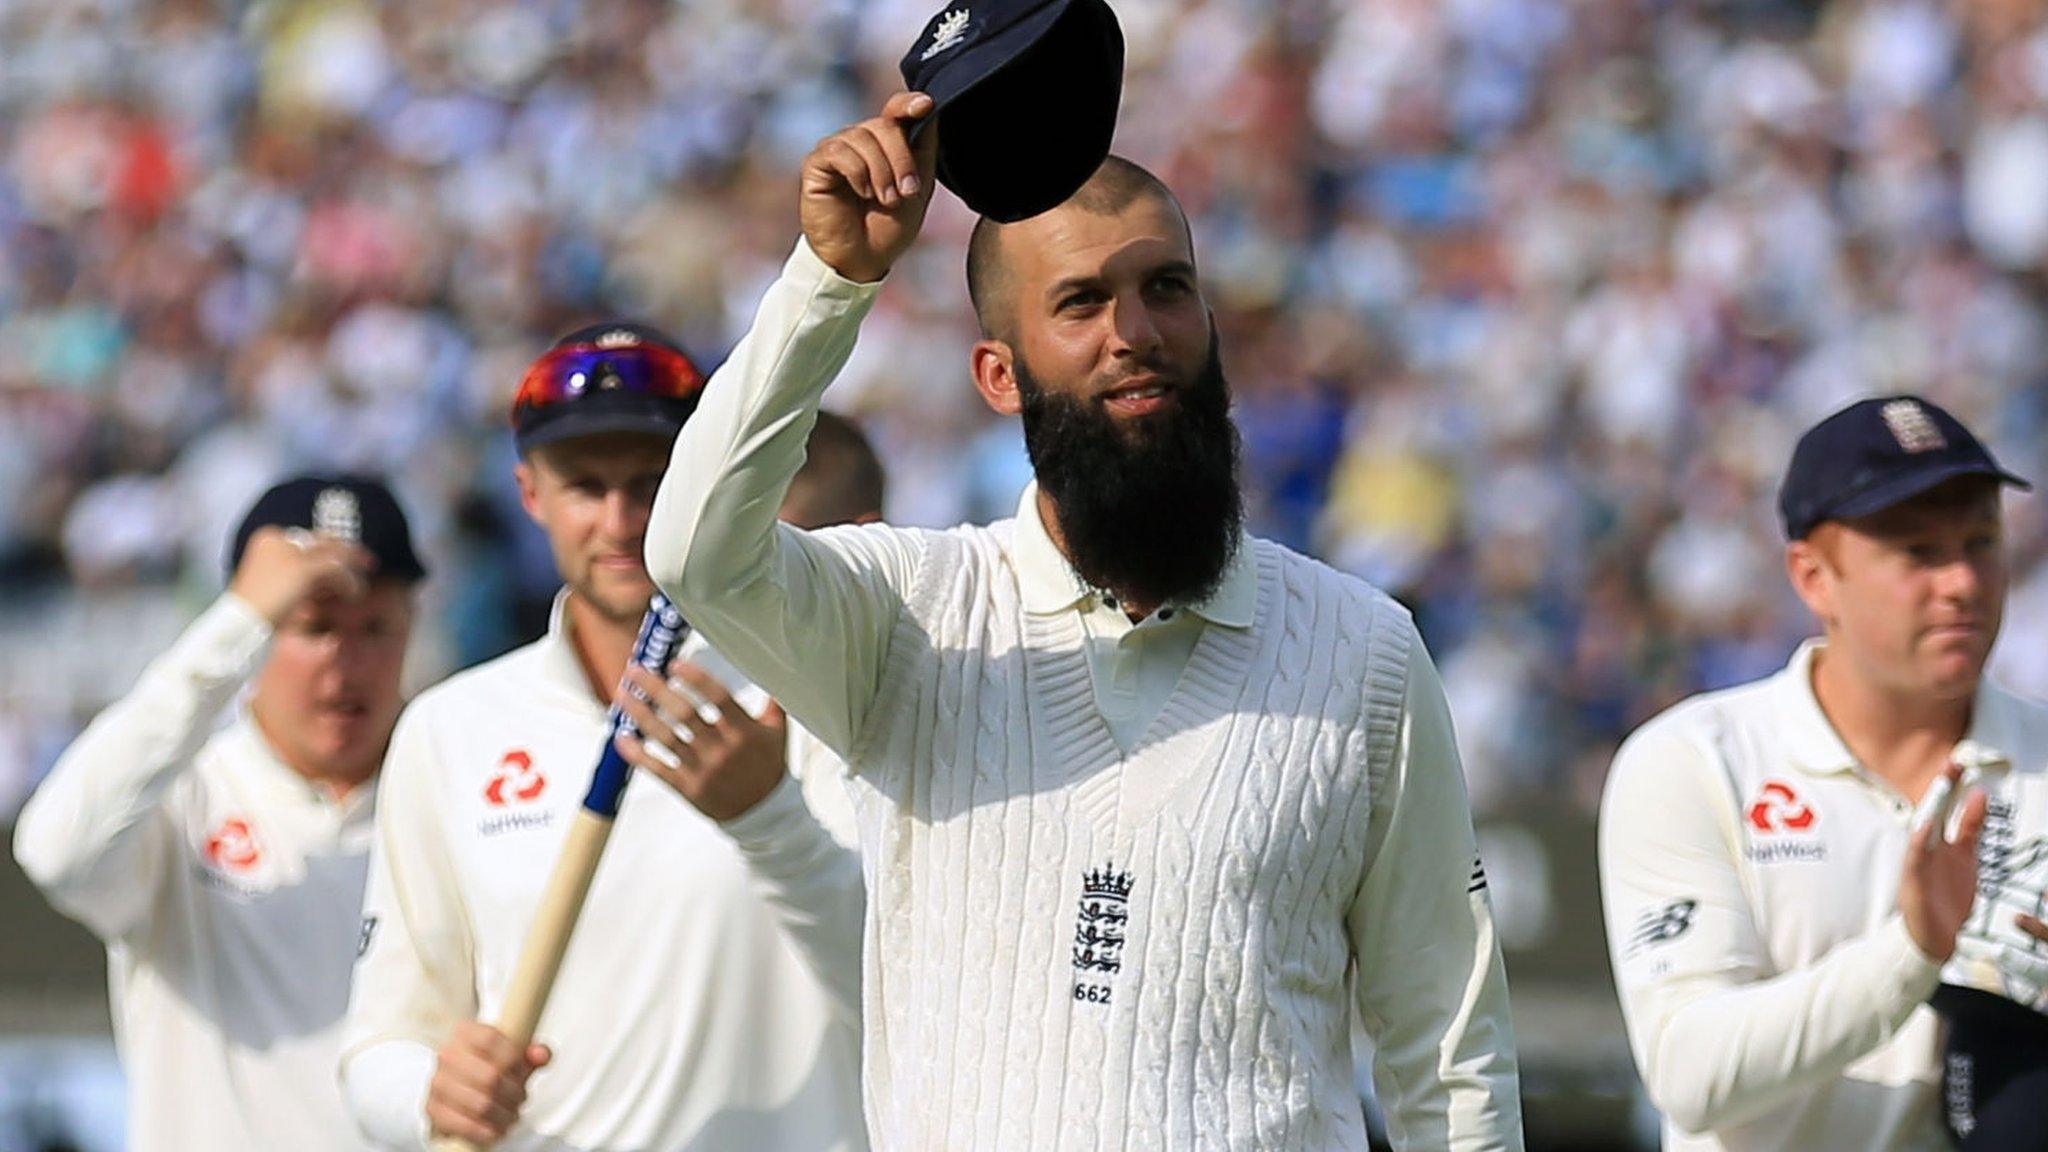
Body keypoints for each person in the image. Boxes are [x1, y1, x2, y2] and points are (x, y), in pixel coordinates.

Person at [639, 92, 1523, 1149]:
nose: (1134, 335)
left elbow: (1447, 1048)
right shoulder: (910, 613)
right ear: (997, 376)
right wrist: (831, 282)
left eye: (1165, 288)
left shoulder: (1362, 649)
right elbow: (694, 550)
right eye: (1080, 303)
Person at [339, 322, 874, 1151]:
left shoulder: (822, 695)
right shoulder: (452, 727)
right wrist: (433, 1095)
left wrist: (772, 821)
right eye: (586, 486)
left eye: (652, 483)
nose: (621, 522)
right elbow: (378, 1048)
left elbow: (907, 999)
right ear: (530, 494)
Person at [1599, 394, 2048, 1151]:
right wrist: (1915, 949)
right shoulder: (1694, 759)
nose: (1962, 583)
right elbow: (1690, 1073)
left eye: (1979, 542)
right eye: (1918, 552)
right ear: (1812, 577)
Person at [13, 474, 426, 1152]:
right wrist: (236, 625)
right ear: (253, 633)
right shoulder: (180, 798)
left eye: (374, 627)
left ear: (412, 624)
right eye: (313, 627)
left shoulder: (451, 790)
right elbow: (54, 850)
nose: (345, 664)